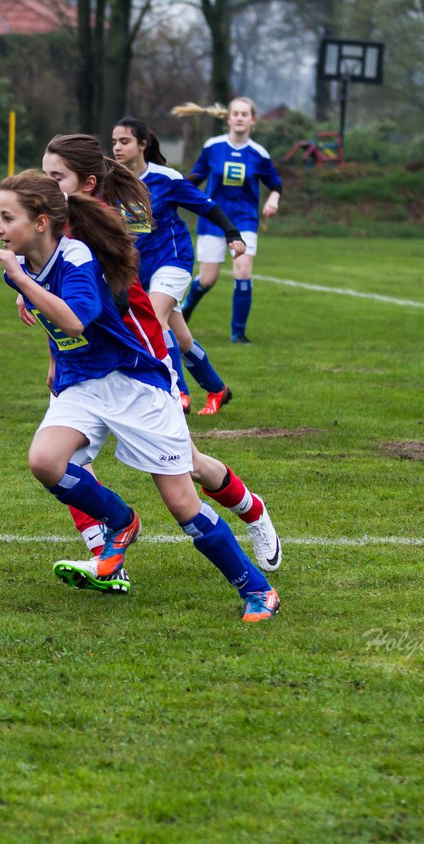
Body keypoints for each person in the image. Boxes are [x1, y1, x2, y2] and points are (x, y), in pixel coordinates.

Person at [0, 170, 280, 622]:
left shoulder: (78, 258)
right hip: (81, 384)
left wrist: (23, 284)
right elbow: (53, 322)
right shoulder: (22, 266)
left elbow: (75, 321)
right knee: (45, 461)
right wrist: (34, 311)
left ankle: (257, 590)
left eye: (7, 218)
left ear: (41, 222)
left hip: (133, 385)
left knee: (183, 505)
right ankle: (122, 522)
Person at [38, 133, 282, 572]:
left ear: (87, 183)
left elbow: (82, 308)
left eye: (57, 177)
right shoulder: (53, 226)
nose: (47, 185)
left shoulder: (99, 228)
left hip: (137, 366)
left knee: (190, 468)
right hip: (85, 370)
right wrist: (55, 356)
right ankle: (106, 558)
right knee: (61, 463)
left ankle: (252, 510)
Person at [110, 116, 245, 416]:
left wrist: (232, 233)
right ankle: (217, 389)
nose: (117, 147)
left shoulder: (166, 178)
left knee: (155, 320)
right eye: (115, 142)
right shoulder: (111, 182)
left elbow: (205, 205)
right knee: (181, 338)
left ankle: (177, 392)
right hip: (136, 269)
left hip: (173, 261)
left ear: (143, 144)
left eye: (125, 141)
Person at [177, 98, 283, 344]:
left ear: (253, 120)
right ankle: (184, 312)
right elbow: (195, 177)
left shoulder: (258, 153)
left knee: (243, 271)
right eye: (235, 113)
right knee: (207, 279)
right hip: (213, 219)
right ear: (228, 118)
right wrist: (174, 190)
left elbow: (275, 183)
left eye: (245, 114)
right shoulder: (213, 147)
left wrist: (273, 199)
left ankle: (238, 334)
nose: (239, 118)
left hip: (244, 220)